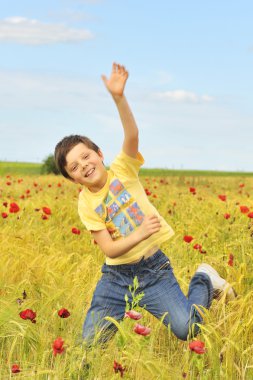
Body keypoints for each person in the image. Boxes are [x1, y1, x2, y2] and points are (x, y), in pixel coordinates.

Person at [54, 63, 236, 346]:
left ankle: (204, 280)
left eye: (86, 156)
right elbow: (109, 248)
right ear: (73, 179)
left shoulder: (122, 171)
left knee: (186, 328)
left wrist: (118, 98)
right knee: (89, 346)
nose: (84, 166)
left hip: (154, 272)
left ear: (99, 154)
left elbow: (132, 135)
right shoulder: (86, 204)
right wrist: (139, 233)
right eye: (75, 167)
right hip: (115, 278)